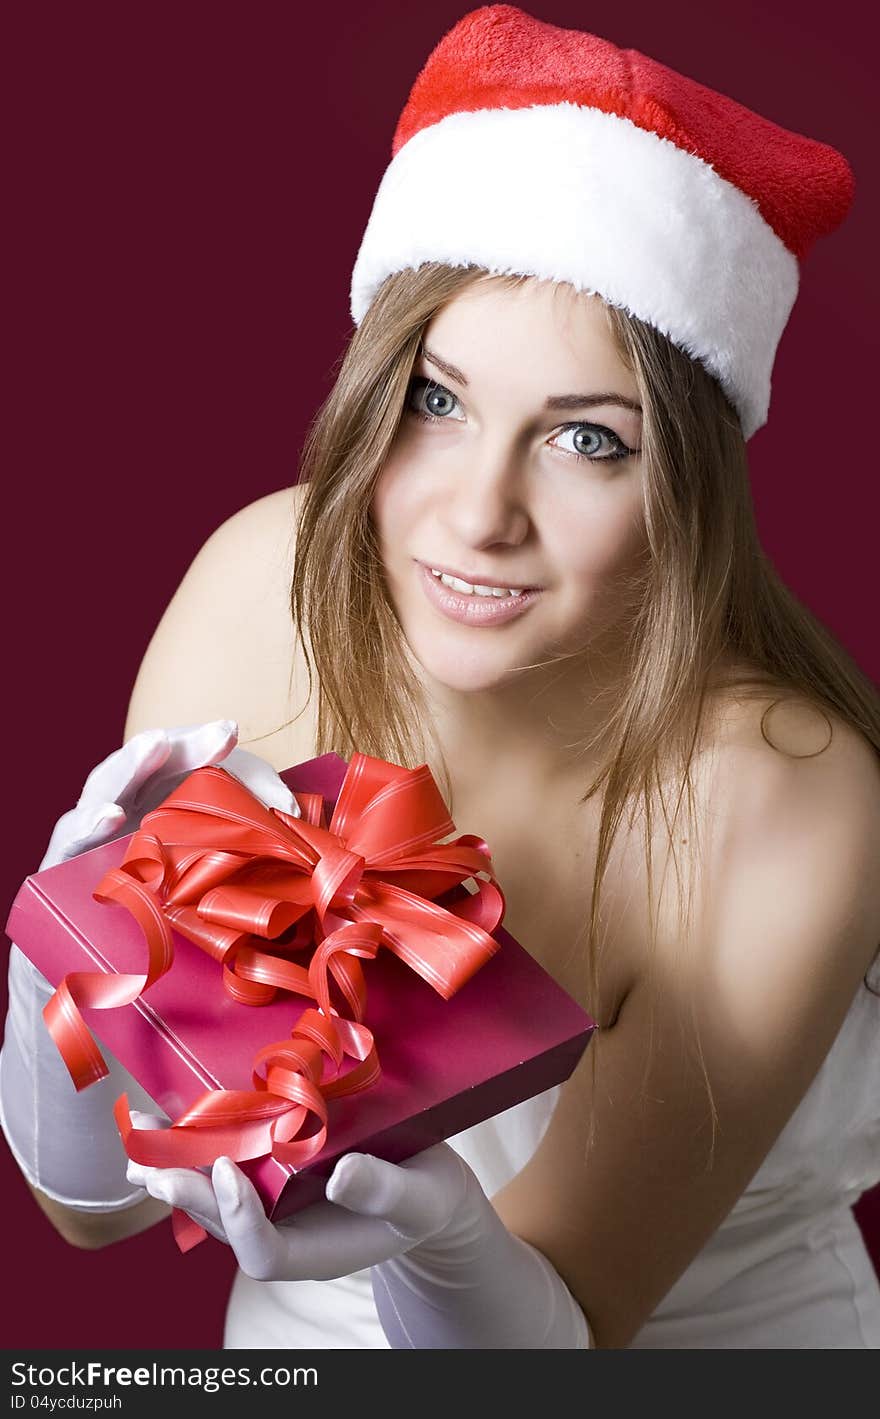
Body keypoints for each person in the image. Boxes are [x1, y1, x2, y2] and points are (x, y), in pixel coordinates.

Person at [2, 3, 879, 1349]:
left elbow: (566, 1331)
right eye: (436, 398)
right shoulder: (267, 591)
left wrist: (442, 1239)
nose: (478, 517)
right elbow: (99, 1210)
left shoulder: (782, 797)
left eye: (589, 441)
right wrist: (60, 985)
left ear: (691, 490)